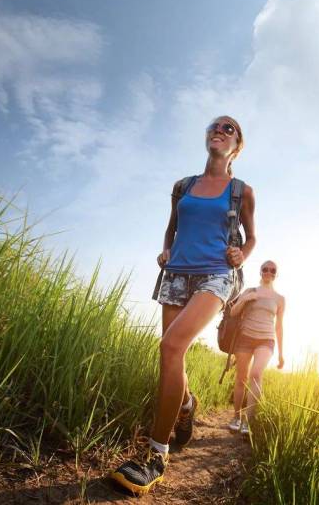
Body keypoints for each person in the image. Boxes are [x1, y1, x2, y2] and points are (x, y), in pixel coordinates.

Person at [110, 116, 256, 494]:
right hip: (176, 272)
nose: (220, 131)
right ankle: (187, 404)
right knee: (173, 357)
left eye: (229, 129)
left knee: (171, 345)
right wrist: (166, 249)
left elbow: (252, 237)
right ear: (206, 137)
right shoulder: (183, 186)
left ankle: (156, 457)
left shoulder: (242, 190)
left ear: (236, 144)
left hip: (216, 274)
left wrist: (242, 253)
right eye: (215, 127)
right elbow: (172, 225)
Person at [228, 260, 285, 435]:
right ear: (260, 272)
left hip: (266, 340)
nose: (268, 272)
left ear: (276, 274)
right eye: (265, 269)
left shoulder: (280, 299)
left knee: (256, 374)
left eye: (272, 270)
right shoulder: (250, 291)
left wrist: (281, 354)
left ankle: (249, 422)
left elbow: (279, 326)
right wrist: (245, 299)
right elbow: (233, 312)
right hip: (245, 338)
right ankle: (237, 417)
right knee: (241, 379)